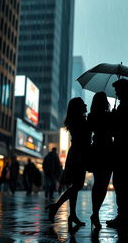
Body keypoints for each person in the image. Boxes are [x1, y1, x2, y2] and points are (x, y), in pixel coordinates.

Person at [46, 97, 91, 228]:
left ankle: (72, 214)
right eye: (83, 104)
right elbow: (84, 136)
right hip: (79, 155)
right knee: (77, 185)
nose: (85, 105)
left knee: (76, 186)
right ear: (78, 107)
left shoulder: (77, 120)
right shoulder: (79, 121)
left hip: (77, 154)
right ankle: (56, 207)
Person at [106, 78, 128, 231]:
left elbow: (120, 129)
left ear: (123, 90)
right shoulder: (126, 105)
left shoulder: (126, 106)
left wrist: (113, 118)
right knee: (121, 182)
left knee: (121, 182)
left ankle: (123, 216)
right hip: (125, 148)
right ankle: (122, 215)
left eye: (117, 90)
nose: (116, 93)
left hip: (124, 148)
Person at [87, 92, 113, 229]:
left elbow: (89, 132)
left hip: (96, 150)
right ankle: (95, 213)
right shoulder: (109, 116)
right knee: (103, 185)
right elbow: (114, 132)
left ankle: (95, 213)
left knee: (98, 183)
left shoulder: (91, 116)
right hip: (108, 150)